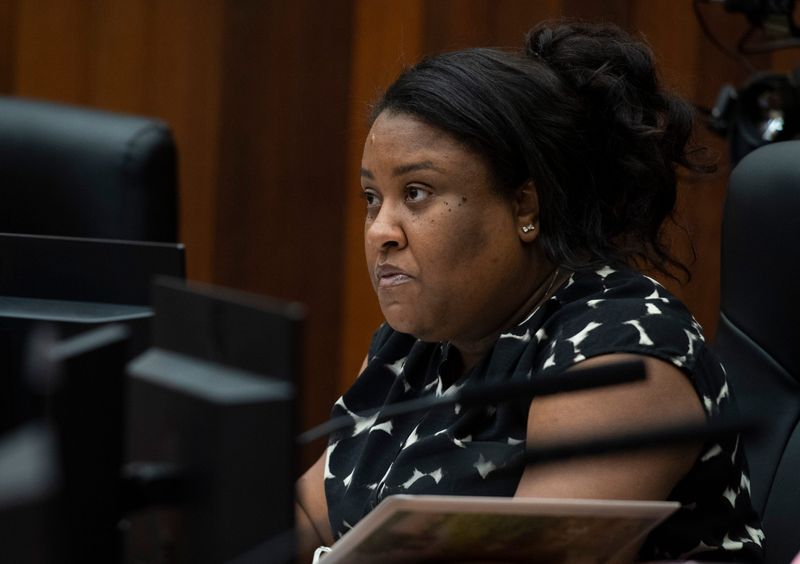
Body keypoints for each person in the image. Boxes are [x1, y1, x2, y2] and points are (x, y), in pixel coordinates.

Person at [296, 20, 763, 562]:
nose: (381, 231)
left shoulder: (621, 352)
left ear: (525, 207)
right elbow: (311, 513)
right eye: (372, 197)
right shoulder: (415, 345)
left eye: (417, 193)